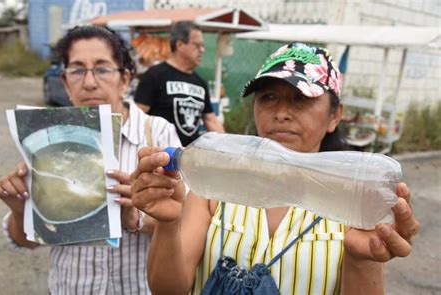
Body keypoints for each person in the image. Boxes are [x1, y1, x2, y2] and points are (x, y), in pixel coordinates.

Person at [130, 43, 420, 294]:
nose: (281, 113)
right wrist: (168, 225)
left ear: (335, 116)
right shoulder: (216, 184)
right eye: (268, 97)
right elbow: (168, 289)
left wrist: (361, 261)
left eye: (301, 99)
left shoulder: (353, 201)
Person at [0, 25, 181, 294]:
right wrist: (22, 214)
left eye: (102, 69)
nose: (89, 82)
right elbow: (27, 241)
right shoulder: (46, 139)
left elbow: (185, 217)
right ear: (65, 82)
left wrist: (136, 217)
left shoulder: (158, 134)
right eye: (77, 70)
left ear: (124, 79)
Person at [134, 21, 225, 146]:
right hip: (161, 156)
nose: (202, 50)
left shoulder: (200, 83)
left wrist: (229, 145)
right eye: (197, 45)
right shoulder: (155, 75)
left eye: (203, 46)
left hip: (189, 157)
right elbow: (137, 115)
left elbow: (210, 120)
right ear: (180, 45)